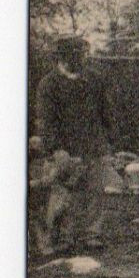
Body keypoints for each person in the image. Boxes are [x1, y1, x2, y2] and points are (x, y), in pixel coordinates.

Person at [32, 35, 115, 253]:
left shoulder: (94, 80)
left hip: (91, 145)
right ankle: (61, 238)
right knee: (62, 195)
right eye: (73, 56)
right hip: (63, 149)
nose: (79, 60)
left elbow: (105, 113)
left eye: (81, 55)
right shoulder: (49, 85)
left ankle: (91, 235)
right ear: (61, 58)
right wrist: (56, 149)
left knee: (94, 191)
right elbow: (46, 121)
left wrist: (107, 141)